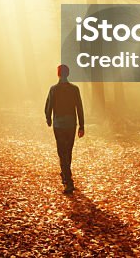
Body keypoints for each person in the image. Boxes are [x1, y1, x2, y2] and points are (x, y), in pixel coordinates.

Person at [44, 64, 85, 194]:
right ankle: (66, 174)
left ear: (58, 74)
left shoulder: (53, 89)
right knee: (68, 150)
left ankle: (68, 181)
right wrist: (81, 125)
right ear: (68, 74)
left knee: (62, 151)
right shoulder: (74, 89)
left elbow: (48, 105)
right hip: (71, 124)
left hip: (59, 124)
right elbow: (79, 107)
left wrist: (48, 119)